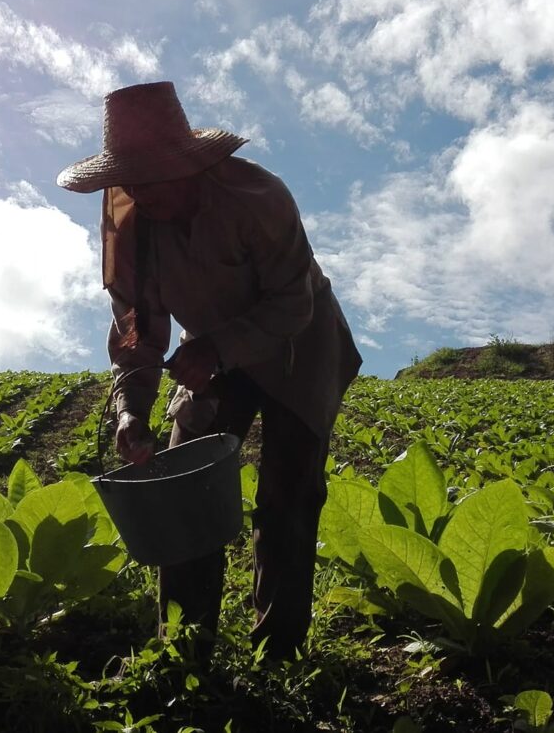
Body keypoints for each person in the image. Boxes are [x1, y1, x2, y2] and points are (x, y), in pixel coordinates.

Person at [57, 81, 361, 663]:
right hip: (211, 352)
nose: (141, 194)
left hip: (299, 345)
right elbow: (139, 327)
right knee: (181, 487)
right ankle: (186, 650)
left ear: (188, 165)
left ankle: (280, 652)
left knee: (287, 496)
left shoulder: (257, 197)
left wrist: (220, 348)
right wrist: (130, 411)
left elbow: (292, 304)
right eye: (131, 181)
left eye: (153, 177)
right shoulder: (131, 220)